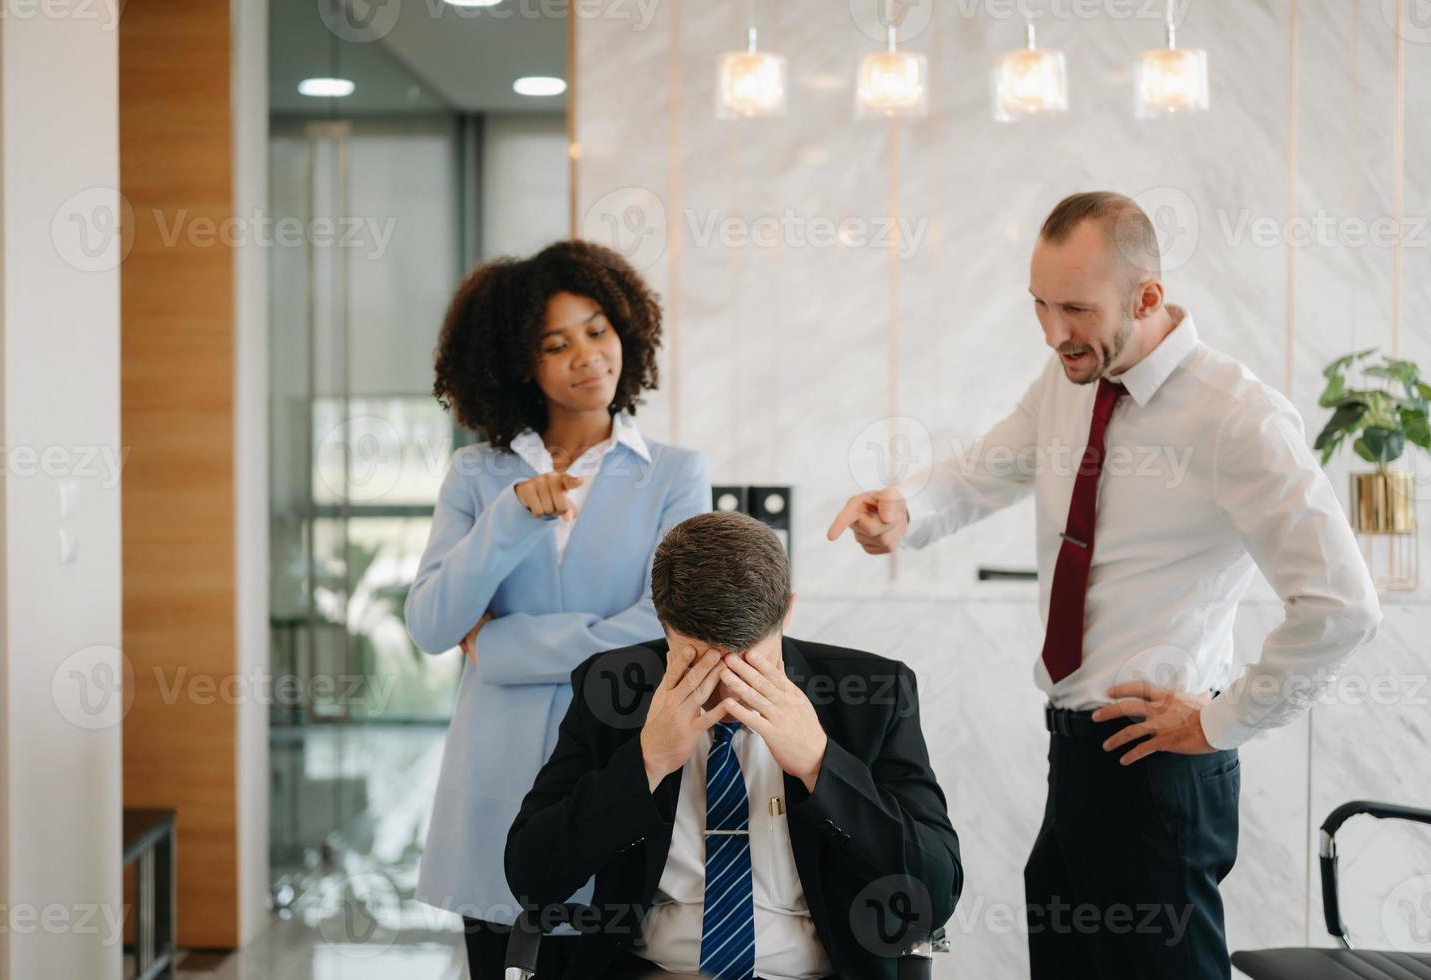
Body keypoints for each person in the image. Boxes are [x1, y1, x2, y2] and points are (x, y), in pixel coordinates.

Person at [828, 191, 1381, 979]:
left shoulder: (1239, 417)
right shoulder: (1070, 378)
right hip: (1077, 757)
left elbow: (1342, 604)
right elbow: (987, 468)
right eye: (1040, 306)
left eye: (1076, 309)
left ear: (1148, 296)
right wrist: (905, 509)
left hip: (1160, 771)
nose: (1055, 333)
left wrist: (1226, 719)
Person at [405, 240, 711, 980]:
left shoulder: (674, 473)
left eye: (597, 330)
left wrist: (505, 649)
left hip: (616, 766)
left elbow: (666, 626)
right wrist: (508, 521)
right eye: (556, 343)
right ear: (520, 363)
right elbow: (432, 625)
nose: (587, 356)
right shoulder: (478, 476)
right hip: (494, 776)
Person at [506, 511, 963, 980]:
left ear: (787, 610)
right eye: (698, 665)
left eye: (749, 664)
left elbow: (935, 892)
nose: (727, 688)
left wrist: (819, 766)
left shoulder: (875, 693)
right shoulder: (611, 689)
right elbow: (531, 878)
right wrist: (646, 763)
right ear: (662, 621)